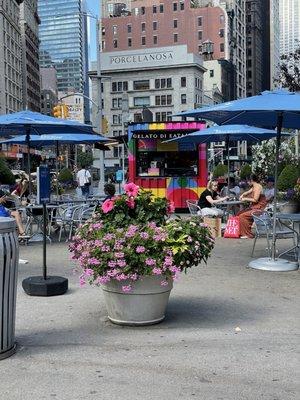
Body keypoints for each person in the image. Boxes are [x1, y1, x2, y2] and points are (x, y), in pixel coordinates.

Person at [238, 174, 268, 238]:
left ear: (251, 180)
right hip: (254, 207)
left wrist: (245, 198)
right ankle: (243, 232)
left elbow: (255, 200)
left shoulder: (258, 187)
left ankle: (247, 234)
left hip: (259, 208)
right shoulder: (254, 187)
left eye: (247, 181)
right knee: (239, 213)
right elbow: (247, 192)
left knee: (242, 216)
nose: (247, 183)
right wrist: (242, 195)